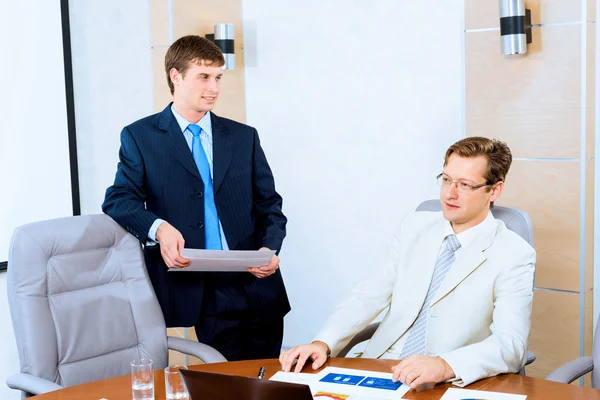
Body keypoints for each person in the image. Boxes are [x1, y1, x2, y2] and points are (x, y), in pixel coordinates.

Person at [279, 137, 535, 388]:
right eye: (446, 180)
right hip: (379, 368)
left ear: (495, 190)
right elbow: (369, 295)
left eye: (465, 185)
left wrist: (445, 365)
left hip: (444, 380)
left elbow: (510, 343)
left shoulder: (514, 253)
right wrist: (322, 343)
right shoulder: (414, 227)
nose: (450, 193)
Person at [102, 35, 289, 361]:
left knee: (271, 381)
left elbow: (270, 205)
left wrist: (269, 249)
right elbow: (119, 199)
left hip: (258, 285)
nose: (214, 87)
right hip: (199, 288)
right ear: (176, 76)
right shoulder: (140, 136)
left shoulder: (244, 136)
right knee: (224, 385)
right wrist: (159, 228)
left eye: (218, 77)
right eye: (203, 76)